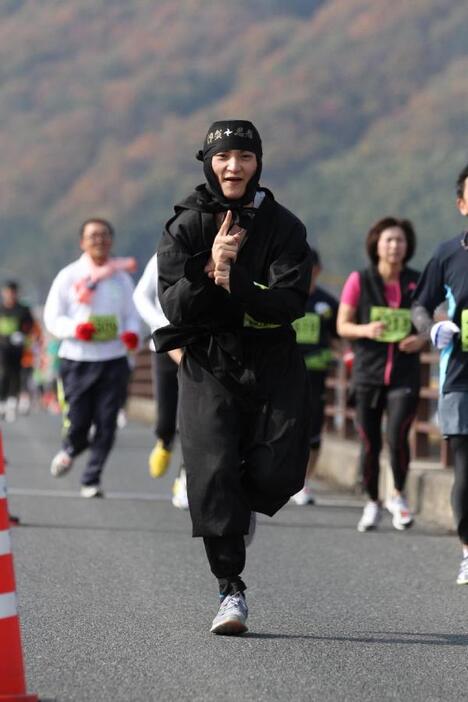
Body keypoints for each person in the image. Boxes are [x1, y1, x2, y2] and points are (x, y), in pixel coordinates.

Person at [154, 120, 312, 635]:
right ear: (208, 161)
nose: (233, 167)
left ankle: (240, 509)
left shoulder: (285, 227)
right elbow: (173, 305)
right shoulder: (187, 225)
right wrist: (209, 270)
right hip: (209, 360)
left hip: (272, 360)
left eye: (244, 157)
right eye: (224, 157)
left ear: (258, 162)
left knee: (281, 472)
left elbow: (289, 303)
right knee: (214, 473)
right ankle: (230, 589)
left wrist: (234, 280)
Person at [337, 217, 426, 532]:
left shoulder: (416, 283)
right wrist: (366, 329)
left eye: (400, 240)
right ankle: (372, 501)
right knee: (369, 442)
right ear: (376, 243)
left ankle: (398, 496)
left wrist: (421, 339)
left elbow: (428, 322)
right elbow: (342, 325)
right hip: (368, 374)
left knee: (398, 435)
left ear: (407, 246)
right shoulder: (360, 280)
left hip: (404, 375)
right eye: (388, 240)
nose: (394, 246)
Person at [43, 218, 141, 497]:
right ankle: (71, 447)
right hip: (77, 358)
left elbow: (131, 316)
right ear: (82, 242)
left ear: (111, 240)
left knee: (107, 423)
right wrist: (75, 329)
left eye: (105, 235)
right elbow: (52, 317)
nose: (100, 240)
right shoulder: (69, 276)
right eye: (93, 236)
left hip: (113, 360)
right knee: (79, 422)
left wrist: (132, 333)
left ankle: (91, 478)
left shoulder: (121, 278)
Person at [411, 164, 468, 584]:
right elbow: (419, 305)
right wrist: (432, 328)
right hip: (460, 380)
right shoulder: (448, 254)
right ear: (462, 204)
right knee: (466, 470)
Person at [133, 253, 188, 509]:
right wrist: (162, 326)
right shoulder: (166, 252)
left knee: (194, 418)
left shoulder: (225, 247)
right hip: (166, 343)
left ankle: (185, 478)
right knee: (167, 415)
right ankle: (164, 440)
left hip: (202, 345)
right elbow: (140, 296)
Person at [290, 248, 340, 505]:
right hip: (285, 375)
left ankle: (303, 483)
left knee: (314, 433)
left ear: (318, 270)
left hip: (317, 377)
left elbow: (339, 337)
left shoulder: (328, 304)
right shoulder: (283, 298)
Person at [0, 281, 34, 422]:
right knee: (3, 373)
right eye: (7, 292)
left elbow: (30, 325)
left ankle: (12, 403)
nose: (10, 295)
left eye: (12, 292)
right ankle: (2, 401)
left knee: (15, 374)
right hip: (2, 347)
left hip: (17, 349)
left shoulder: (23, 310)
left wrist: (22, 334)